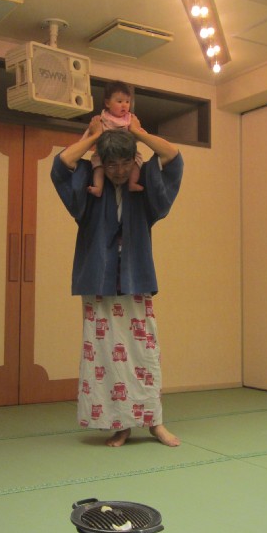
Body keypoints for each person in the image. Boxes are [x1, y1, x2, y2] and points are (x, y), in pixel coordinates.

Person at [51, 109, 183, 447]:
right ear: (101, 164)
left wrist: (137, 133)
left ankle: (154, 421)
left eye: (125, 163)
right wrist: (94, 136)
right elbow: (61, 165)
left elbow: (172, 158)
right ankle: (120, 425)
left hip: (136, 278)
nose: (120, 171)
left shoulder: (144, 186)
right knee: (103, 353)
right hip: (99, 281)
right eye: (111, 165)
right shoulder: (90, 188)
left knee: (145, 351)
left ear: (133, 160)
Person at [83, 81, 143, 197]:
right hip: (105, 152)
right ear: (107, 103)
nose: (124, 105)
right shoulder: (102, 118)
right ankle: (98, 187)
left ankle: (132, 183)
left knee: (137, 160)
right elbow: (91, 132)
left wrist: (139, 132)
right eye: (119, 101)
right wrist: (83, 141)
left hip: (126, 151)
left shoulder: (130, 119)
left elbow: (138, 134)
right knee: (98, 164)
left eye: (127, 102)